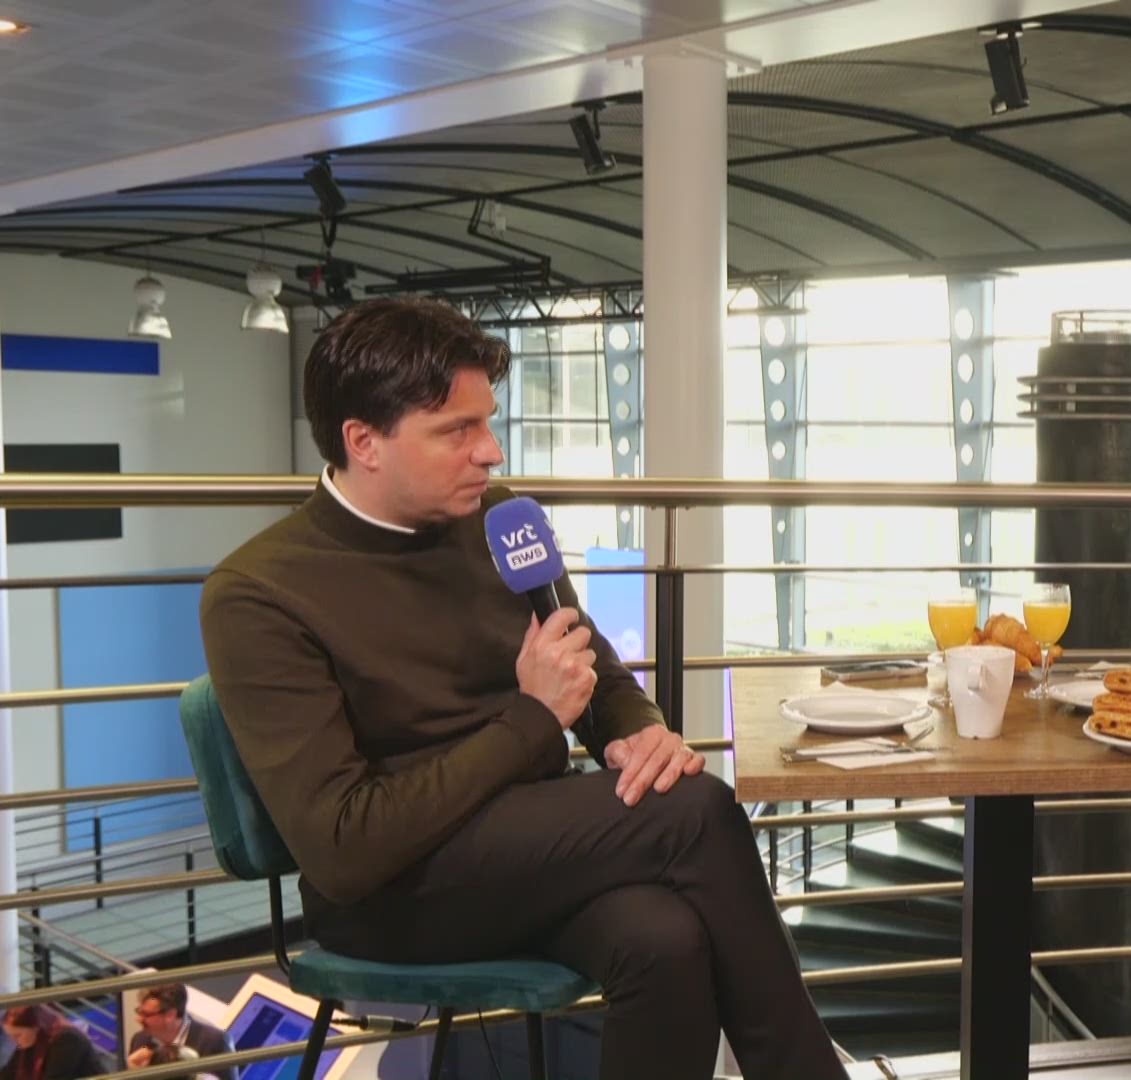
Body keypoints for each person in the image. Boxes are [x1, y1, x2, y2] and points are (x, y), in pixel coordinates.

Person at [199, 298, 845, 1080]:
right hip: (392, 893)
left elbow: (589, 661)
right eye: (457, 431)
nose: (491, 452)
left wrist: (636, 730)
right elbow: (343, 848)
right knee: (696, 809)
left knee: (665, 938)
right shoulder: (258, 592)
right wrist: (533, 719)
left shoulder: (501, 520)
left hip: (535, 850)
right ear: (364, 441)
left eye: (488, 422)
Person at [125, 986, 230, 1080]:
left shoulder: (214, 1041)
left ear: (170, 1015)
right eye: (139, 1011)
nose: (138, 1019)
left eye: (146, 1014)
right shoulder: (139, 1040)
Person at [0, 1006, 104, 1080]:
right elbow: (8, 1074)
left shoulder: (67, 1040)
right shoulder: (30, 1042)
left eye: (17, 1036)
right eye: (10, 1036)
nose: (14, 1041)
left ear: (36, 1027)